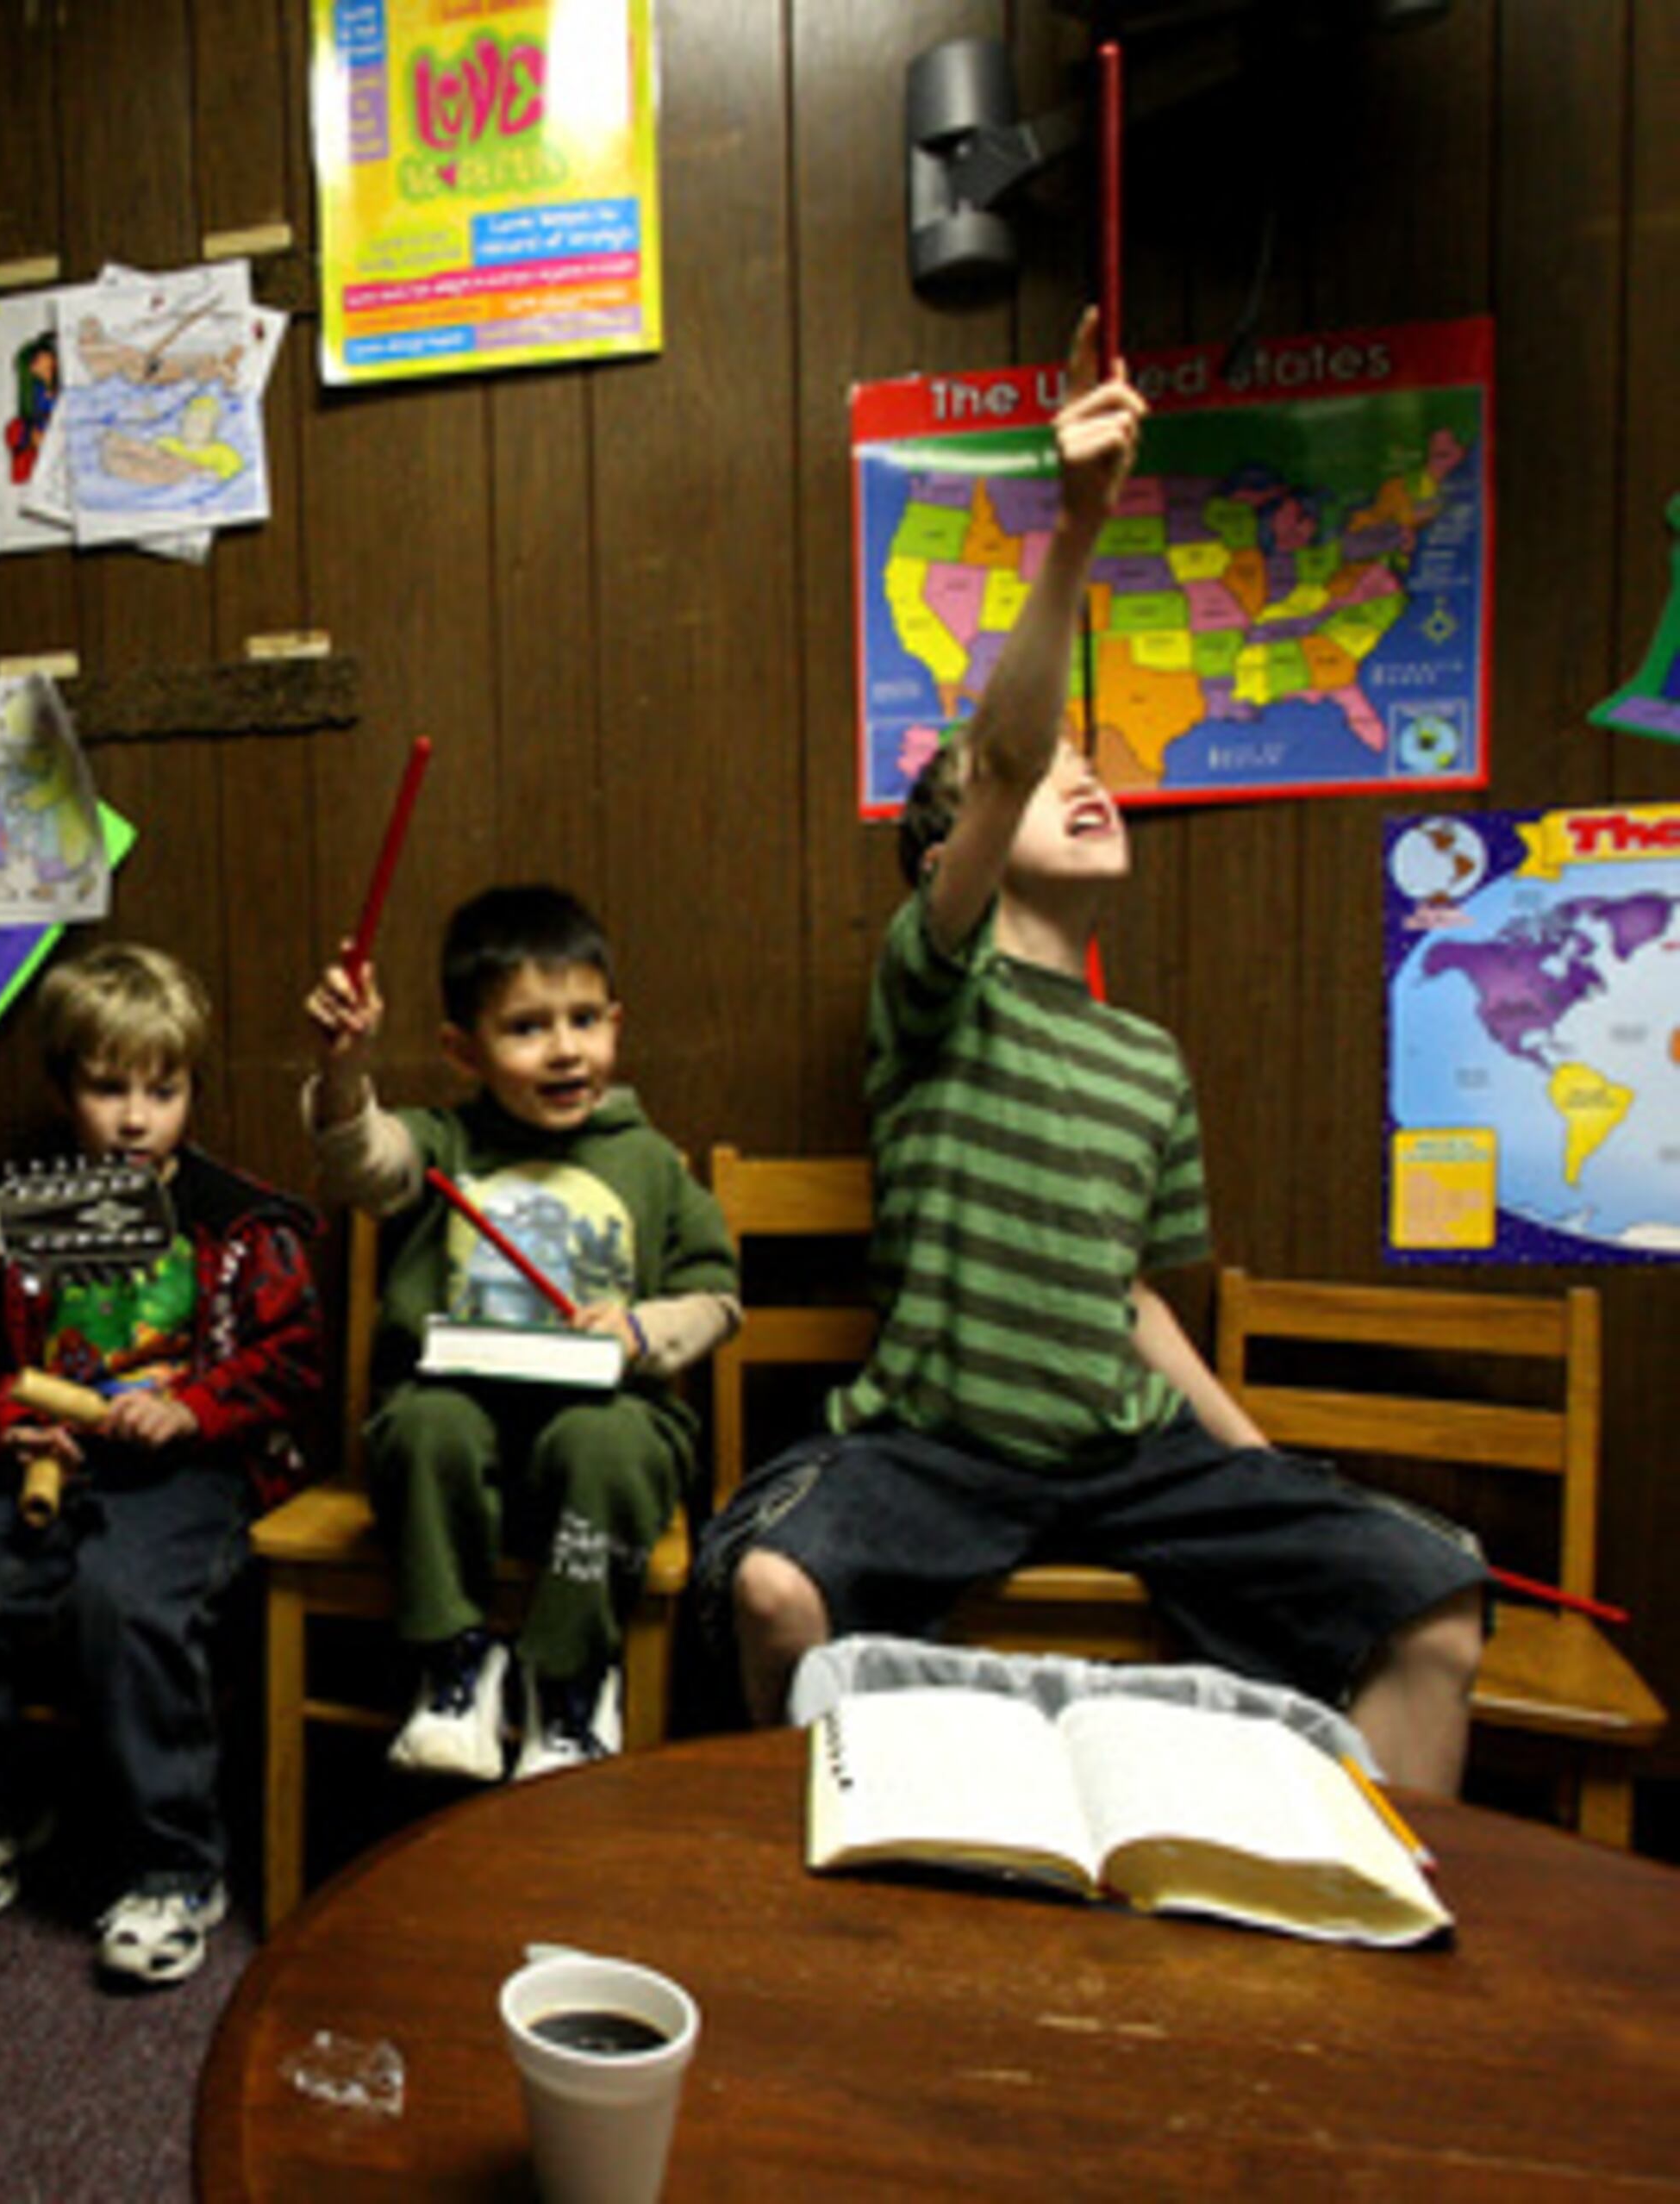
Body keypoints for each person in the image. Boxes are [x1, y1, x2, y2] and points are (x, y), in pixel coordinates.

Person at [701, 313, 1486, 1795]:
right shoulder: (931, 985)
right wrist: (1076, 523)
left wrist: (1255, 1460)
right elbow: (999, 755)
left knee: (1433, 1599)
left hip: (1129, 1459)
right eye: (1058, 772)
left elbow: (1130, 1296)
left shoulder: (1150, 1061)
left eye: (1094, 767)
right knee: (772, 1592)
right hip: (933, 1448)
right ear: (961, 850)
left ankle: (1379, 1977)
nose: (1089, 781)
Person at [0, 945, 320, 1989]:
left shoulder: (241, 1222)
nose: (136, 1118)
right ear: (63, 1088)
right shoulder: (20, 1222)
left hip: (192, 1473)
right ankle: (0, 1807)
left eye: (163, 1090)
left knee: (123, 1598)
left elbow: (291, 1365)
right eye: (108, 1088)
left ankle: (175, 1865)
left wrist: (192, 1408)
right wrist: (14, 1419)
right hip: (53, 1466)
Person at [303, 887, 741, 1782]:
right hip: (460, 1436)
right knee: (426, 1424)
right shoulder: (441, 1144)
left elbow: (717, 1298)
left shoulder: (650, 1159)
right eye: (528, 1028)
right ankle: (456, 1664)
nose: (566, 1048)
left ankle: (571, 1678)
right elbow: (361, 1158)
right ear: (463, 1049)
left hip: (602, 1432)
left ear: (616, 1024)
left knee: (611, 1444)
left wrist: (641, 1327)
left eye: (584, 1018)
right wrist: (349, 1070)